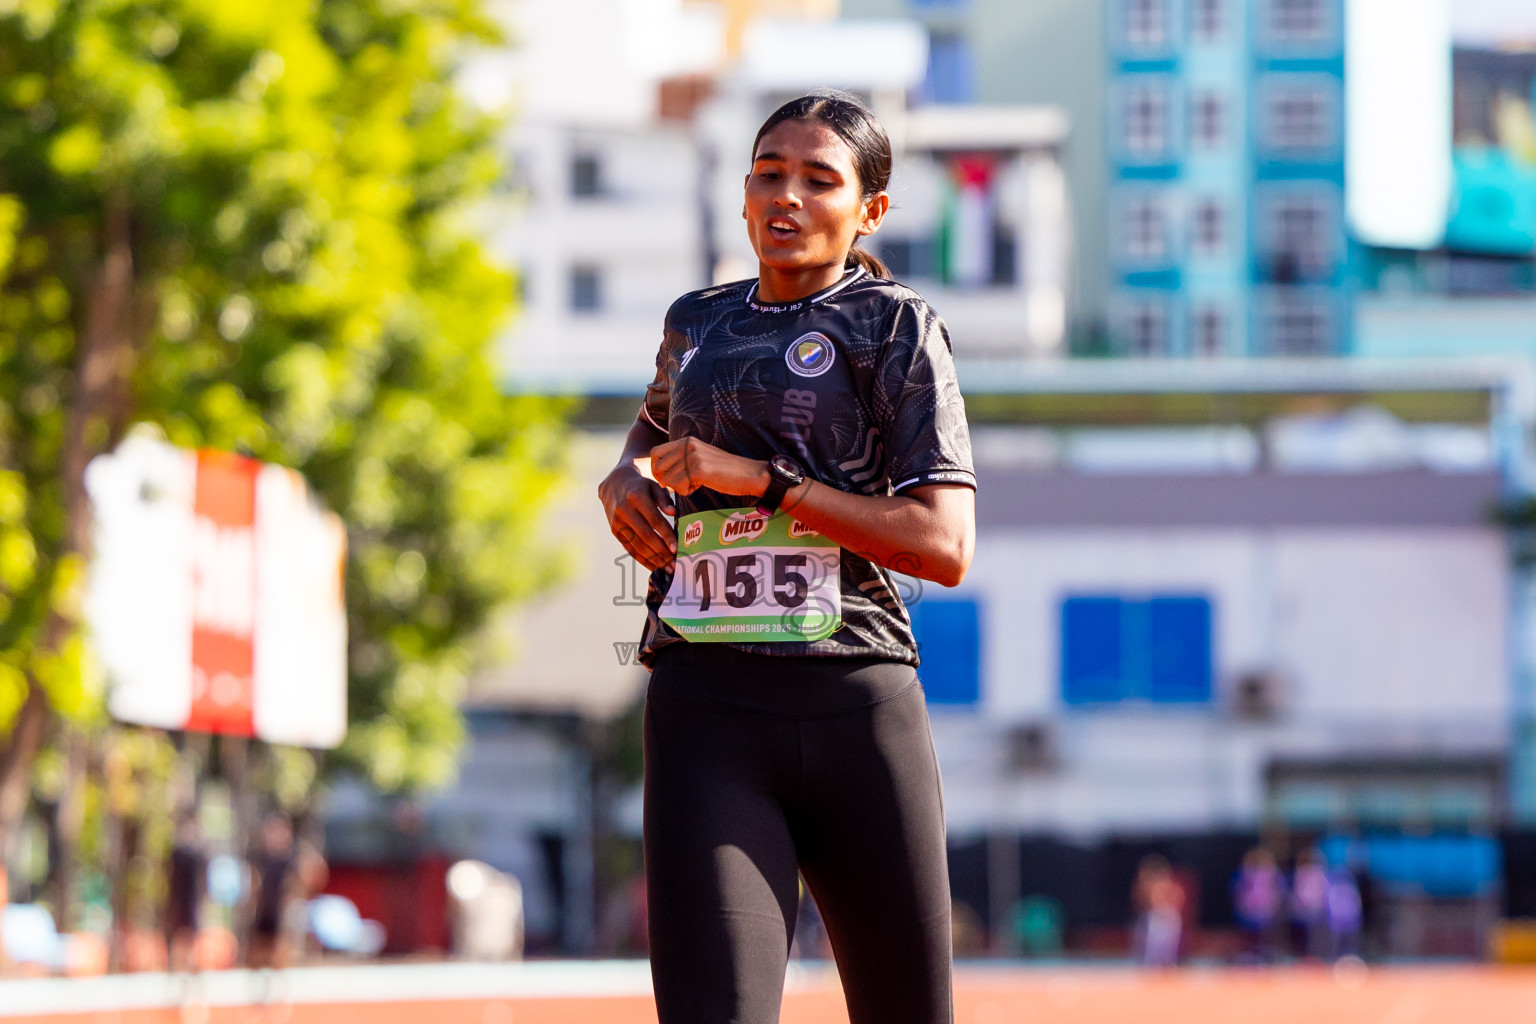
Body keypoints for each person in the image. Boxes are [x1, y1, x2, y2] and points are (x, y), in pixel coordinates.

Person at [598, 90, 976, 1024]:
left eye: (819, 180)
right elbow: (647, 433)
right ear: (743, 191)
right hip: (706, 711)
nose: (788, 197)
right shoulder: (696, 323)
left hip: (857, 703)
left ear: (870, 210)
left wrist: (765, 483)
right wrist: (621, 481)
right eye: (770, 174)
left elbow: (943, 544)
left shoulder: (894, 325)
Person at [165, 816, 207, 972]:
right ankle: (177, 969)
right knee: (178, 938)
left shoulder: (199, 855)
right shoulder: (177, 854)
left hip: (192, 903)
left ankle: (191, 969)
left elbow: (203, 882)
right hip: (178, 903)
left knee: (191, 939)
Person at [1132, 854, 1185, 968]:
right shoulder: (1146, 887)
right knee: (1151, 949)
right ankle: (1150, 966)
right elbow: (1141, 903)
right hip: (1154, 918)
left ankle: (1169, 965)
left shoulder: (1170, 886)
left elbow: (1178, 900)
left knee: (1167, 950)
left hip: (1168, 917)